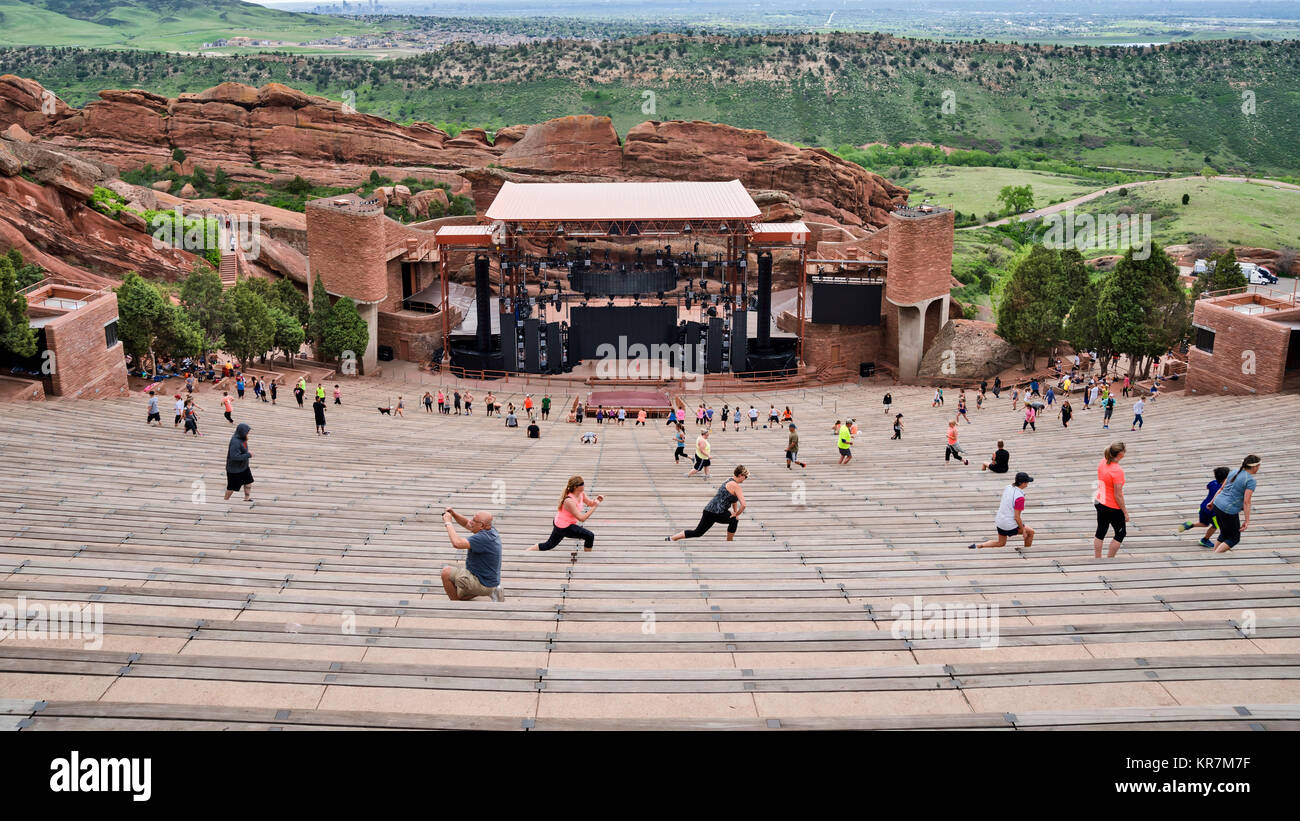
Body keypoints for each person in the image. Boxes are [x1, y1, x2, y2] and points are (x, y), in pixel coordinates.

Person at [667, 465, 749, 543]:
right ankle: (729, 542)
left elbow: (734, 499)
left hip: (708, 510)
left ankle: (671, 538)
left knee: (697, 532)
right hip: (718, 512)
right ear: (740, 475)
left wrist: (735, 512)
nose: (745, 479)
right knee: (734, 520)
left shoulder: (728, 480)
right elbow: (743, 505)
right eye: (745, 477)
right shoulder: (736, 486)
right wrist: (736, 514)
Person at [439, 508, 503, 602]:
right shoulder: (491, 530)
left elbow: (457, 543)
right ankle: (492, 591)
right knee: (459, 593)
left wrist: (448, 523)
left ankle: (455, 605)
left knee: (446, 572)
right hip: (489, 581)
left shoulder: (482, 538)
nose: (471, 522)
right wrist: (454, 514)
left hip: (482, 582)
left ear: (481, 525)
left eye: (474, 521)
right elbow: (466, 523)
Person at [528, 476, 603, 552]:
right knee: (589, 536)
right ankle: (588, 557)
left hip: (561, 523)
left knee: (549, 544)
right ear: (575, 487)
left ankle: (528, 551)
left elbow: (590, 503)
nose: (584, 485)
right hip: (563, 527)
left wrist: (596, 500)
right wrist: (595, 506)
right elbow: (582, 519)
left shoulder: (581, 493)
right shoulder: (569, 501)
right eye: (582, 484)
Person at [1205, 455, 1261, 554]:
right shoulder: (1251, 480)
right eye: (1259, 465)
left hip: (1218, 504)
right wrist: (1247, 521)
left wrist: (1211, 502)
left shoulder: (1234, 472)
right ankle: (1215, 556)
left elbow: (1221, 489)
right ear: (1254, 467)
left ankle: (1214, 556)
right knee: (1234, 538)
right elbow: (1246, 501)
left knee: (1224, 534)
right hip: (1228, 510)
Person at [969, 472, 1035, 549]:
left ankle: (979, 545)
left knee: (1001, 543)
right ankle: (1027, 551)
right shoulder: (1019, 498)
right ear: (1023, 483)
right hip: (1009, 525)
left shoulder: (1008, 487)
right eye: (1027, 482)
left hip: (1000, 521)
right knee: (1030, 532)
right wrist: (1023, 530)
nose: (1028, 484)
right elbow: (1017, 517)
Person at [1094, 442, 1130, 559]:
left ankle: (1097, 559)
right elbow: (1118, 495)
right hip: (1112, 506)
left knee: (1101, 531)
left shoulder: (1103, 461)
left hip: (1099, 501)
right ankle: (1109, 559)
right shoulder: (1117, 471)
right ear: (1120, 454)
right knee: (1121, 533)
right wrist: (1125, 512)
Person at [1179, 467, 1229, 547]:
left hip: (1203, 506)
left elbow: (1207, 487)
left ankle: (1190, 525)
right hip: (1212, 511)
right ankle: (1205, 540)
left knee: (1204, 523)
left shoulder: (1213, 483)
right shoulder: (1225, 488)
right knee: (1215, 526)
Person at [223, 422, 253, 501]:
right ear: (242, 432)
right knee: (232, 487)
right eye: (247, 431)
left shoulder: (242, 438)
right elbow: (234, 456)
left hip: (244, 466)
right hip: (234, 469)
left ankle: (247, 498)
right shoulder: (235, 442)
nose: (248, 433)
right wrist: (248, 455)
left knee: (248, 481)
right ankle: (225, 500)